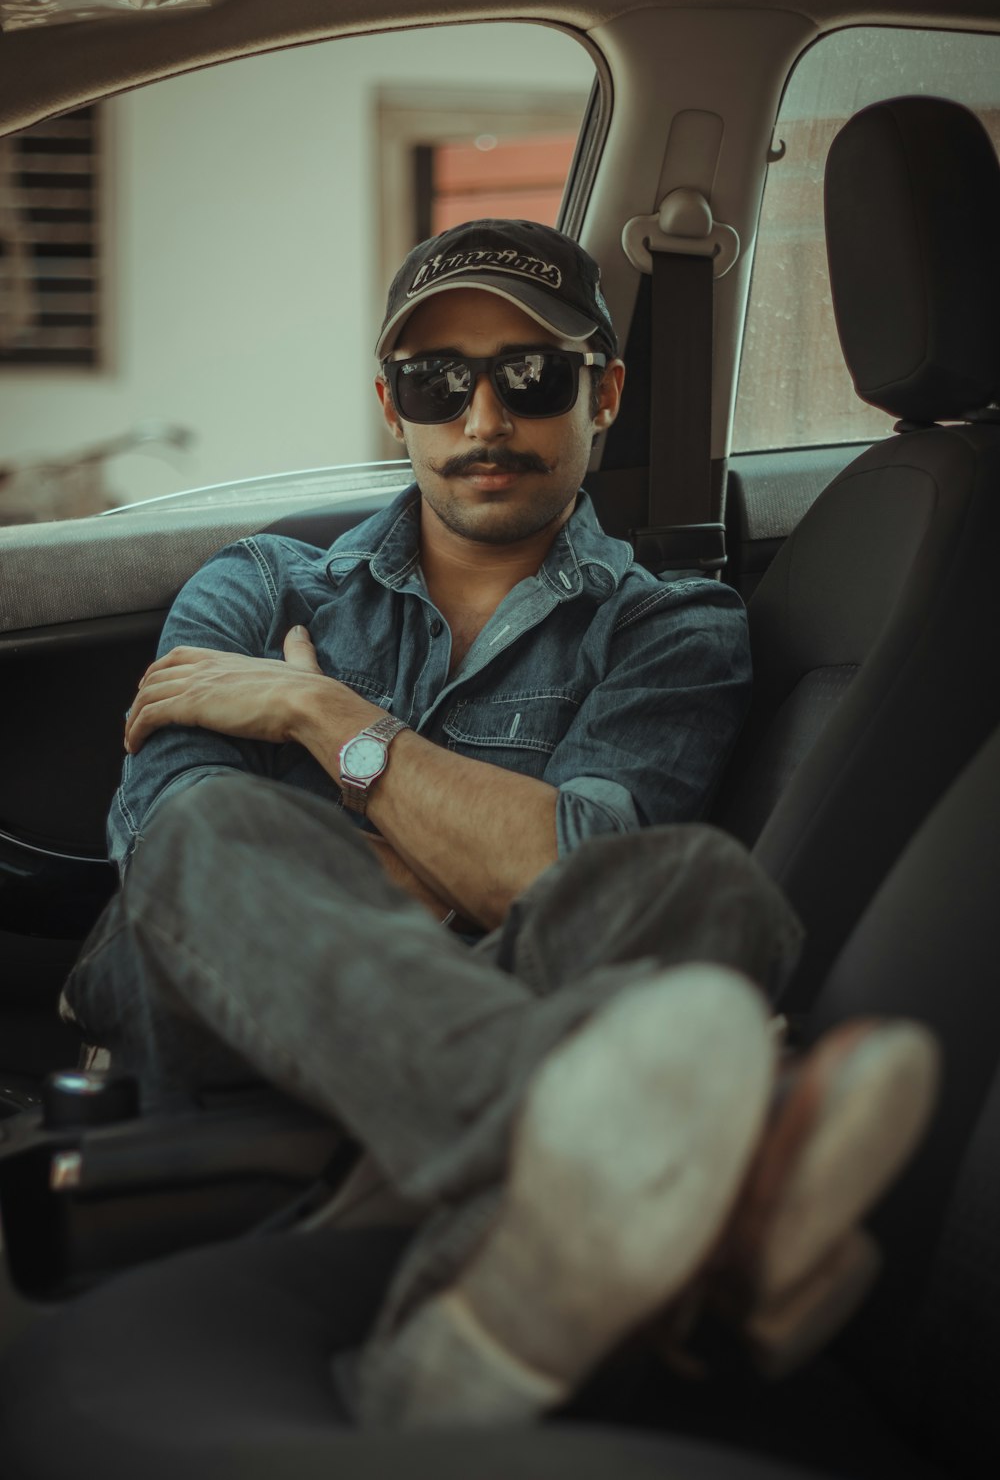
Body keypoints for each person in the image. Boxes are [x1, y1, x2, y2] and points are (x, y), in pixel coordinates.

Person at [62, 219, 939, 1429]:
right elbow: (163, 841)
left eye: (532, 375)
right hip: (216, 995)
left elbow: (571, 868)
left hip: (490, 992)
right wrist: (454, 867)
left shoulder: (675, 627)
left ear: (605, 393)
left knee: (700, 887)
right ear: (391, 403)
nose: (484, 420)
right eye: (438, 381)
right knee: (218, 830)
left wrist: (322, 717)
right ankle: (688, 1165)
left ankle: (462, 1327)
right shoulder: (258, 583)